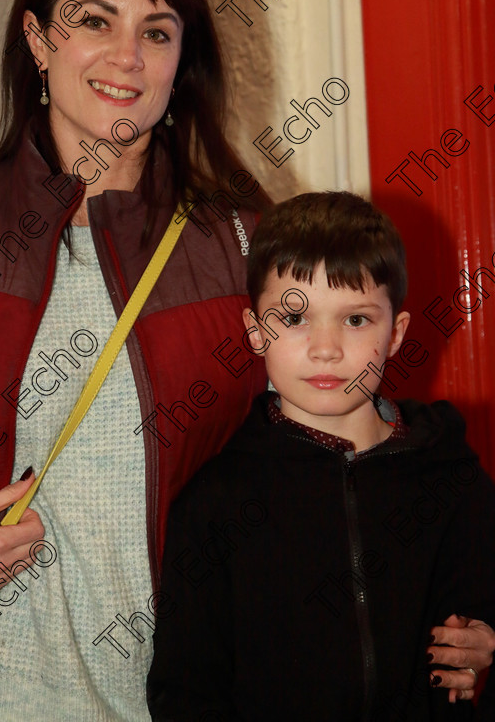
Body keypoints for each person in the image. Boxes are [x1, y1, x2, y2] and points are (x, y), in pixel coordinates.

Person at [0, 0, 491, 721]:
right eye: (94, 19)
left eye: (156, 31)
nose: (127, 57)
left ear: (181, 58)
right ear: (36, 39)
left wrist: (464, 615)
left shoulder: (242, 244)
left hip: (186, 697)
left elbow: (337, 462)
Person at [147, 191, 495, 721]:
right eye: (295, 318)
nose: (325, 347)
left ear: (395, 333)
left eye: (355, 320)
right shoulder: (215, 503)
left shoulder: (451, 478)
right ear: (255, 331)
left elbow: (481, 607)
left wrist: (487, 638)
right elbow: (185, 689)